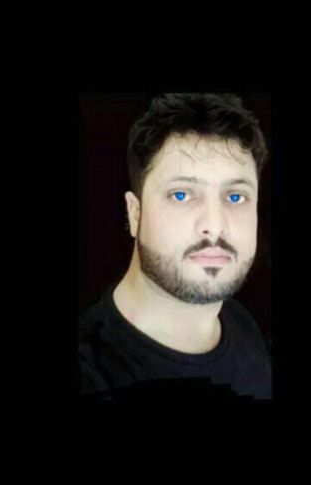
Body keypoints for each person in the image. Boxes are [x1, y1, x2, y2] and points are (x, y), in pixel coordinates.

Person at [79, 93, 272, 402]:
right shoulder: (91, 373)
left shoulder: (244, 326)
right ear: (135, 213)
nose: (215, 225)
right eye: (181, 195)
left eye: (236, 197)